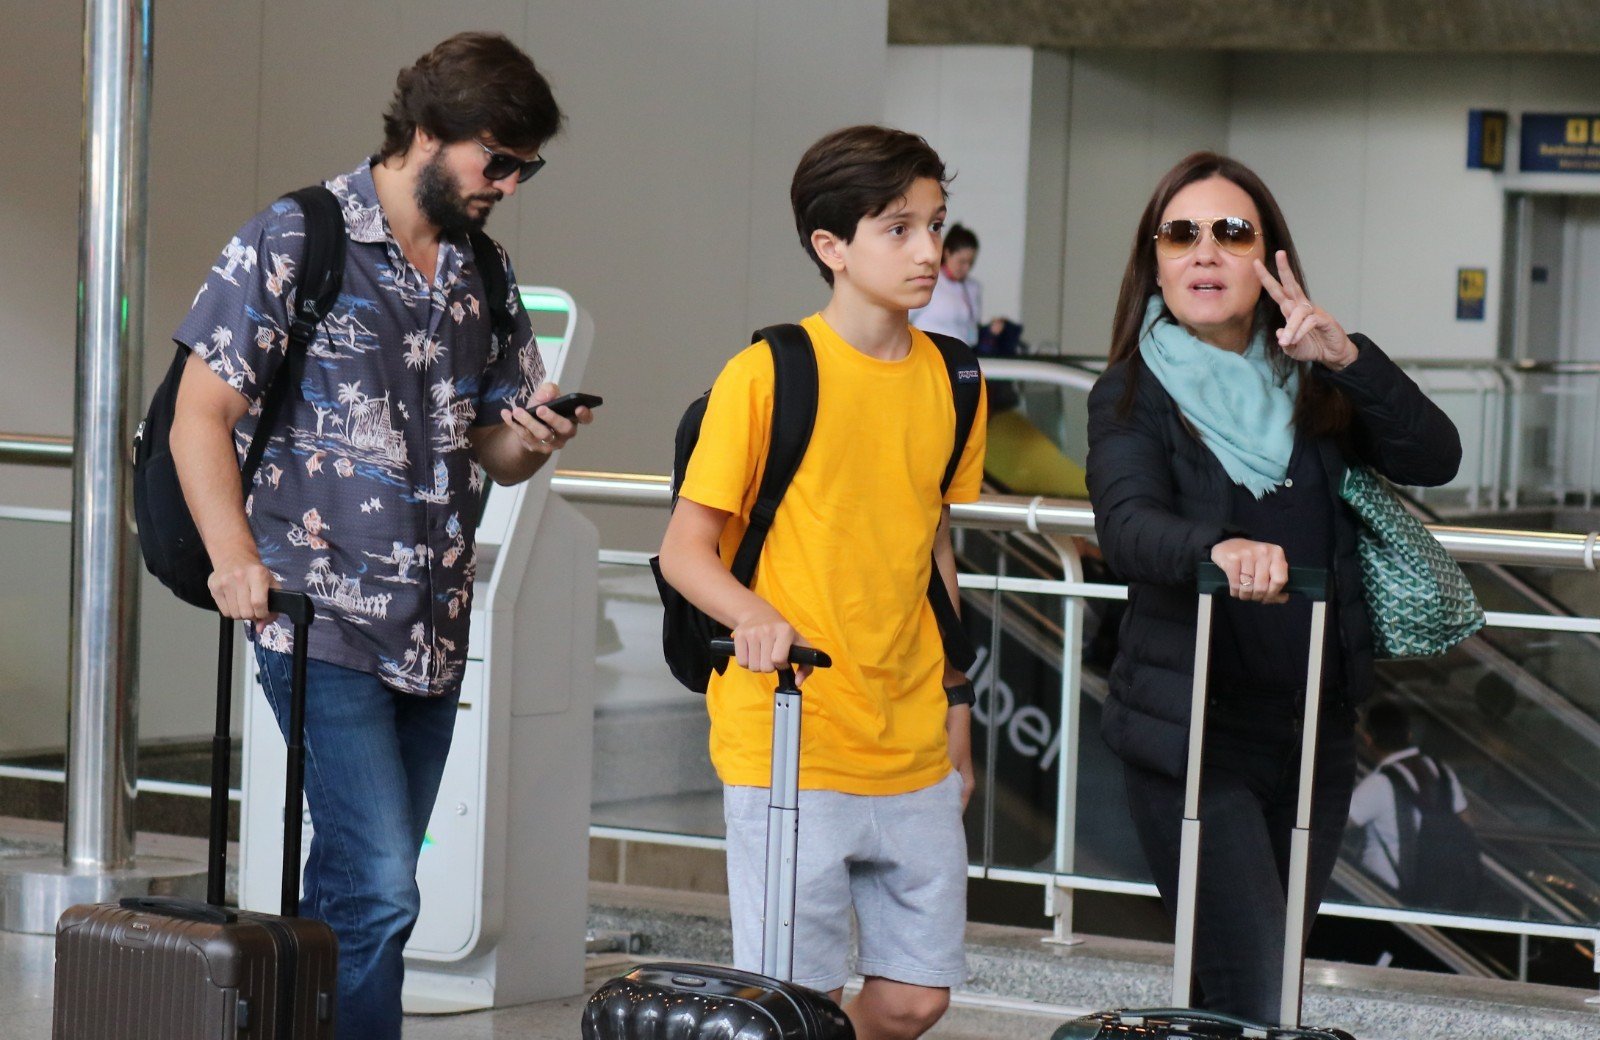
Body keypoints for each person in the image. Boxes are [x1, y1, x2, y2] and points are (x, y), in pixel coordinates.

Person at [167, 33, 591, 1039]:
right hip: (317, 614)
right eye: (497, 161)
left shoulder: (481, 269)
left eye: (525, 166)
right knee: (383, 888)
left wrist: (535, 437)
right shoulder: (298, 235)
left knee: (354, 886)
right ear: (429, 133)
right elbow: (200, 413)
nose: (510, 185)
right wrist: (235, 558)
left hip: (434, 619)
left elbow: (493, 451)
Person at [1085, 151, 1461, 1022]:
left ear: (1268, 258)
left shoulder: (1314, 381)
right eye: (1181, 234)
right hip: (1194, 739)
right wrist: (1224, 549)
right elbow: (1128, 524)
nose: (1205, 252)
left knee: (1255, 988)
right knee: (1256, 994)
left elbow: (1435, 456)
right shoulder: (1133, 395)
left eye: (1231, 232)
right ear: (1156, 260)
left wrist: (1348, 357)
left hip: (1316, 739)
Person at [656, 125, 986, 1040]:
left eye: (935, 224)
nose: (927, 251)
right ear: (830, 247)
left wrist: (958, 706)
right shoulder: (767, 374)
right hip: (790, 731)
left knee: (916, 996)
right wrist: (753, 615)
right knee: (795, 1007)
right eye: (897, 229)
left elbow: (934, 548)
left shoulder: (956, 380)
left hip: (911, 731)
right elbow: (688, 550)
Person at [1348, 701, 1475, 904]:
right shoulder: (1441, 771)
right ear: (1409, 735)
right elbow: (1465, 822)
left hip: (1385, 893)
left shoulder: (1379, 783)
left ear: (1368, 740)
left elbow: (1337, 824)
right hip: (1443, 887)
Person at [910, 222, 983, 345]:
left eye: (971, 263)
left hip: (961, 355)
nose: (966, 268)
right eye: (962, 261)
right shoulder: (928, 279)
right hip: (930, 352)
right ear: (947, 253)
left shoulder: (973, 287)